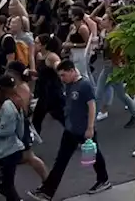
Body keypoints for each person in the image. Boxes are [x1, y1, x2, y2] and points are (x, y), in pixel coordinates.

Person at [30, 60, 111, 200]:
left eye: (64, 75)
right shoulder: (69, 85)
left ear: (73, 71)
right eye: (60, 76)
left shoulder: (84, 85)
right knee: (60, 161)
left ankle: (103, 180)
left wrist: (90, 128)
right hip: (70, 130)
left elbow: (92, 106)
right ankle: (47, 191)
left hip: (83, 129)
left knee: (95, 156)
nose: (62, 79)